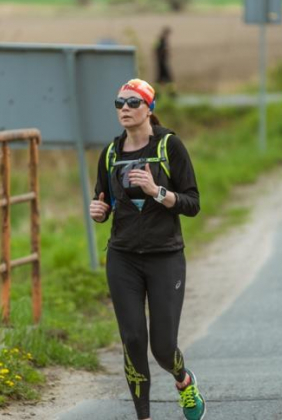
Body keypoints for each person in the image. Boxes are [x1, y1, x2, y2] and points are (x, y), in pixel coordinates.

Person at [89, 78, 205, 420]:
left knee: (163, 347)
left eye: (133, 102)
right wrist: (100, 212)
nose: (124, 108)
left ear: (149, 108)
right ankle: (144, 416)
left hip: (165, 256)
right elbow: (104, 201)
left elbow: (193, 203)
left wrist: (157, 192)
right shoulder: (110, 153)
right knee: (133, 341)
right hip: (123, 257)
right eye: (119, 103)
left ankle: (184, 381)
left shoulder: (170, 146)